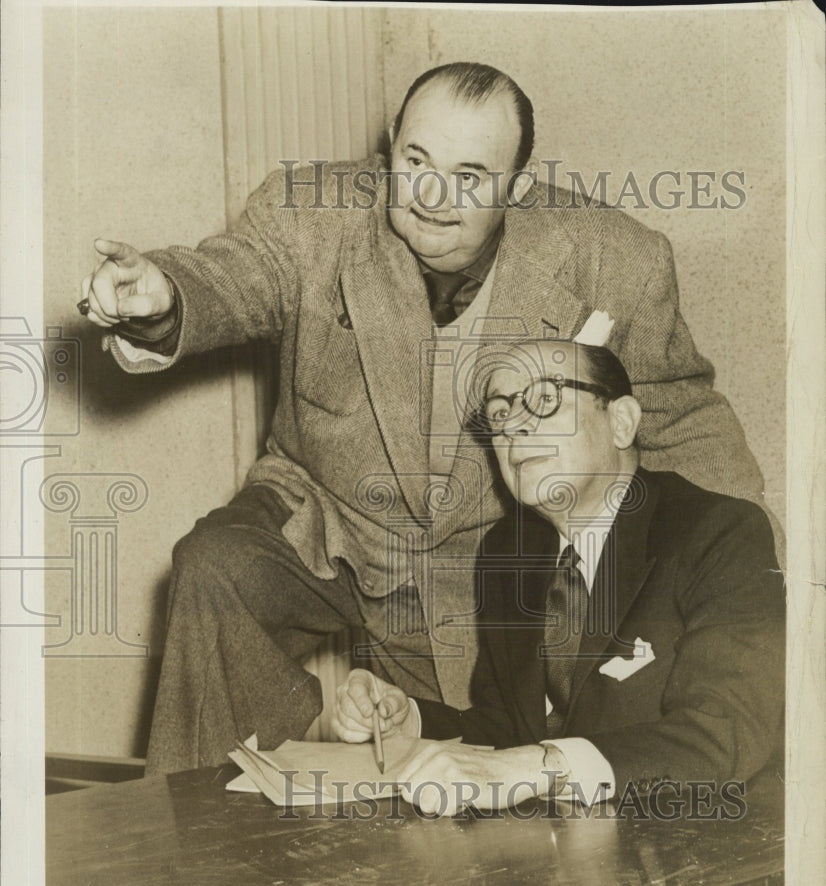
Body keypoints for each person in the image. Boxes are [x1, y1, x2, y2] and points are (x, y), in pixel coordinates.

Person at [78, 62, 768, 775]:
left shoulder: (617, 259)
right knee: (215, 568)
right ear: (389, 146)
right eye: (416, 162)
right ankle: (207, 824)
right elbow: (232, 275)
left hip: (480, 552)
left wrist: (751, 565)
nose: (435, 197)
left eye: (471, 175)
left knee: (447, 773)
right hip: (324, 512)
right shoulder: (311, 214)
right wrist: (163, 297)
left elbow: (679, 413)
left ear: (518, 188)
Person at [332, 340, 785, 817]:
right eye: (499, 413)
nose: (514, 427)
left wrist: (539, 769)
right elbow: (511, 728)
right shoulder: (508, 552)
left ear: (622, 422)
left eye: (545, 400)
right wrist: (408, 719)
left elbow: (726, 732)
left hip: (694, 843)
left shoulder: (719, 532)